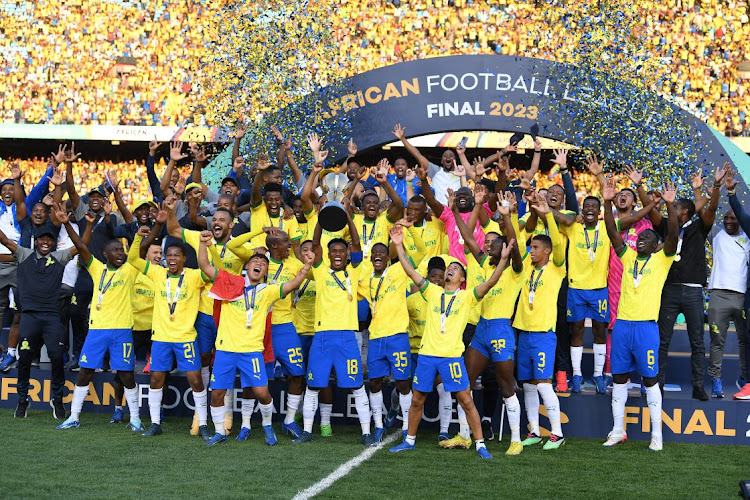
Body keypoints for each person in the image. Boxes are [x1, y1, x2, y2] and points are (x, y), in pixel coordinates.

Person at [388, 224, 513, 459]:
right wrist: (398, 245)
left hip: (452, 357)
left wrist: (504, 260)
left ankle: (480, 444)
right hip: (427, 355)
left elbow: (490, 283)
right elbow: (410, 272)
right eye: (449, 268)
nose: (451, 270)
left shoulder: (467, 297)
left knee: (465, 399)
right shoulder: (432, 291)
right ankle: (410, 440)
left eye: (455, 268)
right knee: (417, 399)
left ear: (462, 278)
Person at [197, 230, 312, 445]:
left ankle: (268, 425)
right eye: (256, 261)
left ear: (266, 272)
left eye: (264, 263)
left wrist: (306, 266)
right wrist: (204, 244)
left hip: (251, 350)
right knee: (217, 394)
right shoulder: (229, 282)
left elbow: (294, 283)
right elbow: (205, 266)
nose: (260, 263)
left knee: (262, 392)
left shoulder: (267, 291)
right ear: (247, 267)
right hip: (225, 349)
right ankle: (220, 432)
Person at [601, 178, 678, 451]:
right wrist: (607, 202)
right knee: (619, 378)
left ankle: (656, 435)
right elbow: (612, 232)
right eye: (639, 238)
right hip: (622, 326)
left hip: (646, 328)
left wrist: (668, 206)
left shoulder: (662, 259)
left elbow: (672, 236)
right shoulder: (628, 256)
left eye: (647, 237)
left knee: (649, 380)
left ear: (656, 245)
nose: (640, 239)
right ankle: (617, 430)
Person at [448, 191, 525, 455]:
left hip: (502, 329)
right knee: (463, 382)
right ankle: (463, 434)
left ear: (504, 247)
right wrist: (456, 212)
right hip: (481, 329)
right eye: (488, 241)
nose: (488, 244)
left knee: (505, 385)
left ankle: (516, 439)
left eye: (493, 242)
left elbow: (513, 244)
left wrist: (506, 217)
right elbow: (468, 238)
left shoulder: (514, 270)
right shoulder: (482, 264)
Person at [56, 208, 143, 432]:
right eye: (115, 250)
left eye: (121, 249)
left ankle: (135, 418)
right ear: (105, 254)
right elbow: (82, 247)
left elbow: (140, 248)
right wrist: (67, 223)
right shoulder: (96, 268)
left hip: (122, 330)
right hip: (97, 330)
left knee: (125, 374)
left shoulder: (129, 271)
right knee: (86, 371)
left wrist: (150, 232)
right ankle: (74, 416)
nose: (120, 253)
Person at [292, 212, 373, 446]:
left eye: (341, 252)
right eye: (333, 252)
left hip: (347, 336)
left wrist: (348, 219)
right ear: (328, 255)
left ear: (346, 254)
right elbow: (315, 244)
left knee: (357, 386)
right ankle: (307, 431)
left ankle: (366, 432)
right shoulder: (320, 270)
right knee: (313, 385)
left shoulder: (354, 271)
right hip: (323, 337)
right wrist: (322, 220)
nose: (337, 255)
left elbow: (357, 244)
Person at [1, 207, 89, 420]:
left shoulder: (58, 258)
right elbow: (4, 239)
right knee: (24, 359)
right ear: (36, 241)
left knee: (57, 357)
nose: (45, 242)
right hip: (30, 317)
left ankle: (56, 399)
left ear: (53, 243)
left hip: (51, 317)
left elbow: (80, 246)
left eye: (49, 240)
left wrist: (78, 224)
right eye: (42, 239)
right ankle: (23, 400)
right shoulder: (24, 254)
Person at [127, 226, 211, 439]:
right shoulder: (157, 273)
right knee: (156, 379)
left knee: (195, 380)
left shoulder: (193, 276)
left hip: (185, 338)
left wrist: (205, 246)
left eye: (176, 255)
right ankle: (155, 423)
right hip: (161, 338)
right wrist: (138, 237)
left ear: (184, 258)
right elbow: (133, 260)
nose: (172, 259)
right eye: (169, 256)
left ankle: (202, 424)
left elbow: (214, 271)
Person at [227, 227, 308, 439]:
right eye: (285, 241)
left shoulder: (294, 264)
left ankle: (289, 420)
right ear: (274, 245)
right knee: (252, 379)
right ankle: (245, 424)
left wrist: (309, 259)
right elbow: (233, 245)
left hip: (285, 327)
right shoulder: (259, 260)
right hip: (260, 328)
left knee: (297, 373)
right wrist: (257, 232)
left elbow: (315, 270)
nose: (290, 245)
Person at [656, 163, 727, 400]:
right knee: (662, 340)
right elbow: (656, 212)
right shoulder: (667, 226)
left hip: (694, 291)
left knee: (697, 341)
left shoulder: (699, 227)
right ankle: (659, 385)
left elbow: (713, 207)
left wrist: (714, 187)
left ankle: (698, 386)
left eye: (674, 206)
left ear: (684, 211)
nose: (671, 209)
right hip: (669, 290)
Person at [515, 193, 567, 450]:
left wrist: (547, 214)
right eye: (531, 247)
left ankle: (557, 433)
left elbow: (557, 242)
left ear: (547, 251)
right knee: (528, 385)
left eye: (536, 248)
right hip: (523, 332)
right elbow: (517, 240)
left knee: (545, 385)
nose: (531, 251)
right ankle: (534, 431)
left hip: (544, 333)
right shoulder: (527, 267)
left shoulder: (557, 268)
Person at [555, 189, 611, 394]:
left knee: (599, 331)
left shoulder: (606, 227)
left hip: (599, 289)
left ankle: (597, 374)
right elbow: (557, 217)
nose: (589, 209)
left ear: (599, 212)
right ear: (581, 210)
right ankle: (577, 374)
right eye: (586, 206)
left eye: (593, 207)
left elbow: (630, 218)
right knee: (576, 331)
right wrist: (550, 209)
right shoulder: (574, 227)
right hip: (576, 288)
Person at [360, 241, 413, 443]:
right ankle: (379, 426)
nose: (378, 255)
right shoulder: (366, 280)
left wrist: (399, 243)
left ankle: (407, 426)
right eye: (374, 253)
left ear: (388, 257)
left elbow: (411, 259)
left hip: (398, 335)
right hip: (375, 337)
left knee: (402, 382)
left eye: (382, 252)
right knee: (374, 382)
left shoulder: (398, 271)